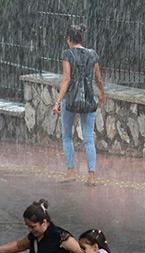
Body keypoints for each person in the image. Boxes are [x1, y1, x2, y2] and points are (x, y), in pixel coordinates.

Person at [52, 24, 106, 186]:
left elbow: (67, 79)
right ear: (81, 38)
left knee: (67, 136)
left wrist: (57, 102)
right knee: (88, 138)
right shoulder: (93, 54)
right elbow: (98, 79)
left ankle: (70, 172)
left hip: (71, 100)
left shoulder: (67, 54)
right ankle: (91, 175)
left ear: (69, 39)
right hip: (89, 99)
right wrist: (102, 94)